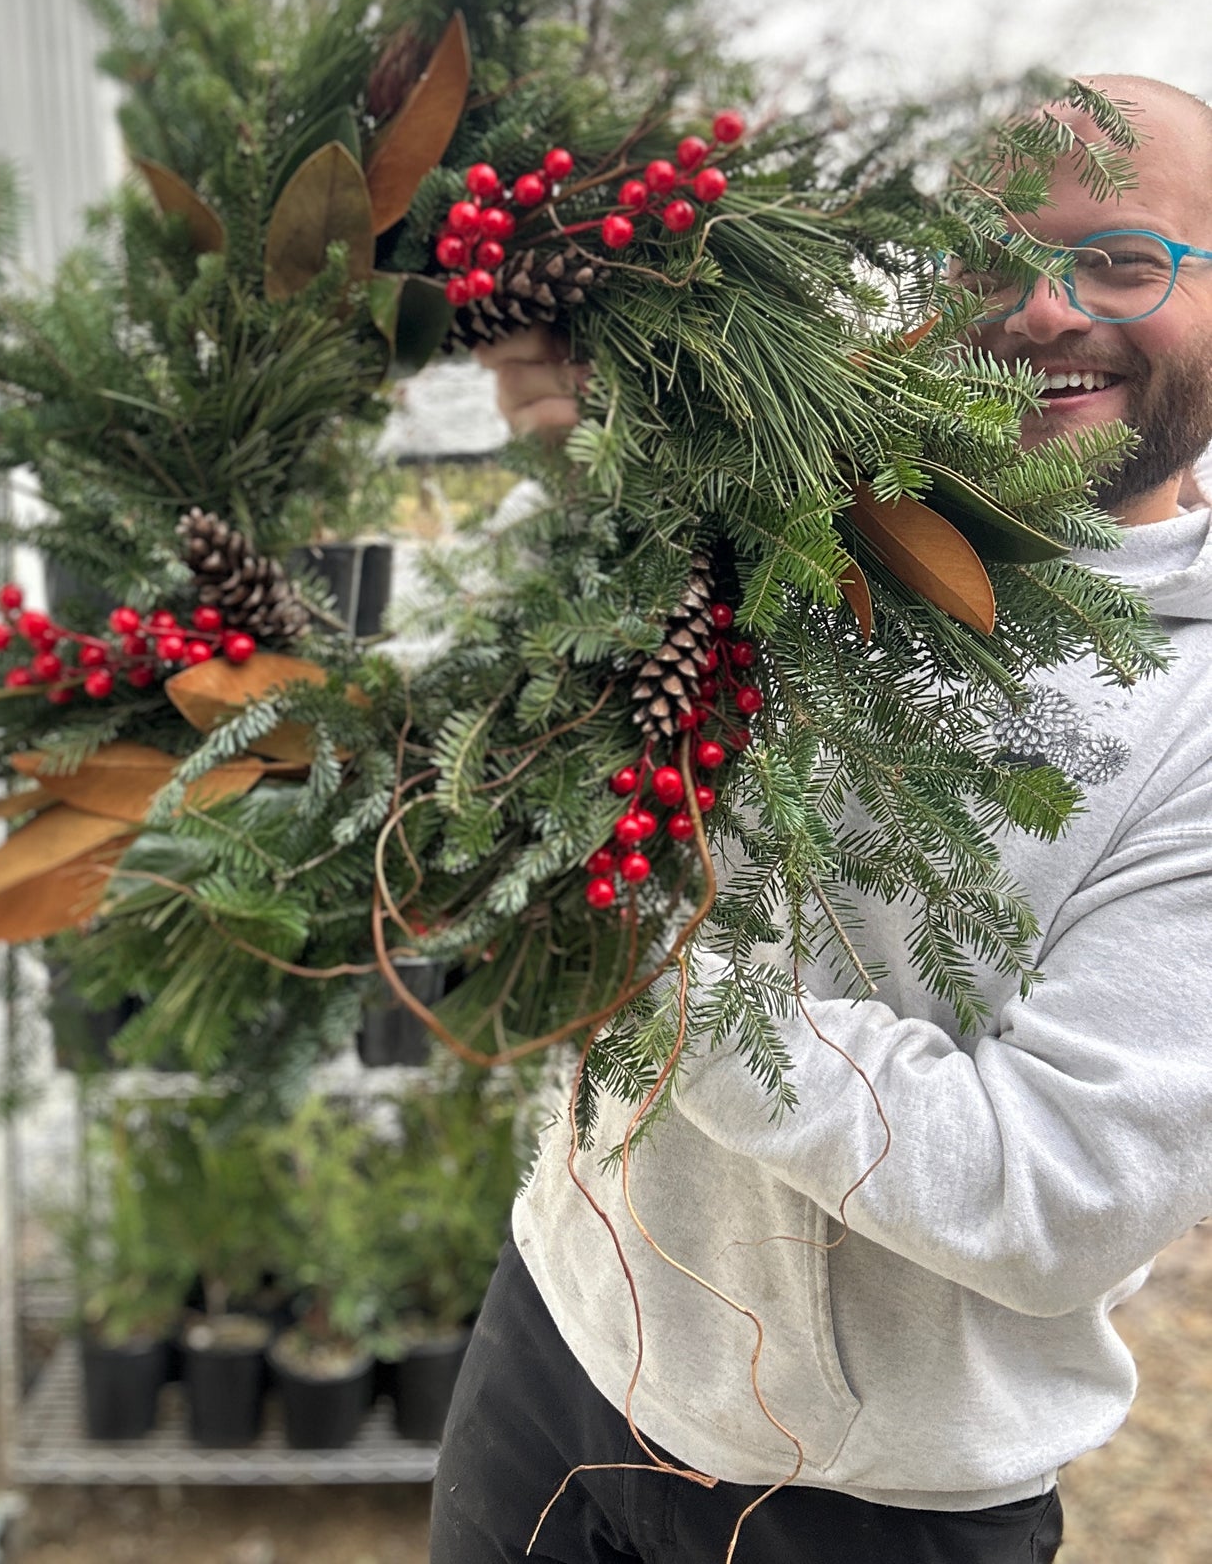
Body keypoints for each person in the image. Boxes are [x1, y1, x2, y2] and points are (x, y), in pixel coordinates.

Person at [429, 76, 1212, 1564]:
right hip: (559, 1333)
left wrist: (634, 946)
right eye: (987, 261)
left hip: (867, 1504)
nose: (1041, 313)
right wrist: (591, 475)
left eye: (1119, 259)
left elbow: (1051, 1190)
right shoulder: (803, 497)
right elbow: (591, 687)